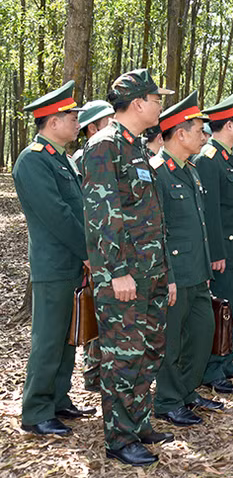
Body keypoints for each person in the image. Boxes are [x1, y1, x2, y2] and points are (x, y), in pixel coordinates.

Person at [83, 68, 176, 466]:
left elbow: (150, 215)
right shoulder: (104, 146)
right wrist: (118, 271)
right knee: (123, 356)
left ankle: (138, 423)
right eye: (156, 100)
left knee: (148, 351)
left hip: (150, 272)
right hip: (124, 276)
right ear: (138, 103)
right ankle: (119, 439)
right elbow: (103, 216)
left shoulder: (135, 146)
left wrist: (165, 271)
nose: (159, 106)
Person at [13, 81, 94, 438]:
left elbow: (78, 210)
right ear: (52, 121)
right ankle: (36, 411)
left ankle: (59, 399)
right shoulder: (33, 160)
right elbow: (58, 215)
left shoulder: (61, 158)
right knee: (48, 339)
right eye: (72, 118)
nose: (78, 123)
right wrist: (89, 252)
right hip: (54, 265)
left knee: (66, 337)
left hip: (71, 263)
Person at [150, 91, 222, 427]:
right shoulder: (158, 172)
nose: (204, 136)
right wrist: (167, 276)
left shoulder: (190, 170)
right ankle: (167, 400)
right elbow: (158, 231)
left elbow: (199, 226)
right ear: (180, 133)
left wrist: (205, 266)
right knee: (172, 341)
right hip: (175, 274)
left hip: (197, 272)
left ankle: (186, 391)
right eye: (198, 131)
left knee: (202, 332)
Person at [193, 91, 233, 394]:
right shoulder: (208, 159)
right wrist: (215, 253)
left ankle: (227, 361)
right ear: (229, 125)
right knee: (220, 310)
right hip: (224, 253)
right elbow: (211, 212)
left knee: (232, 310)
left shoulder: (229, 157)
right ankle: (212, 369)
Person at [72, 99, 115, 392]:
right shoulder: (84, 157)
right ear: (92, 128)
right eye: (108, 122)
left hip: (99, 247)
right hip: (90, 249)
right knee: (93, 310)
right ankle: (92, 371)